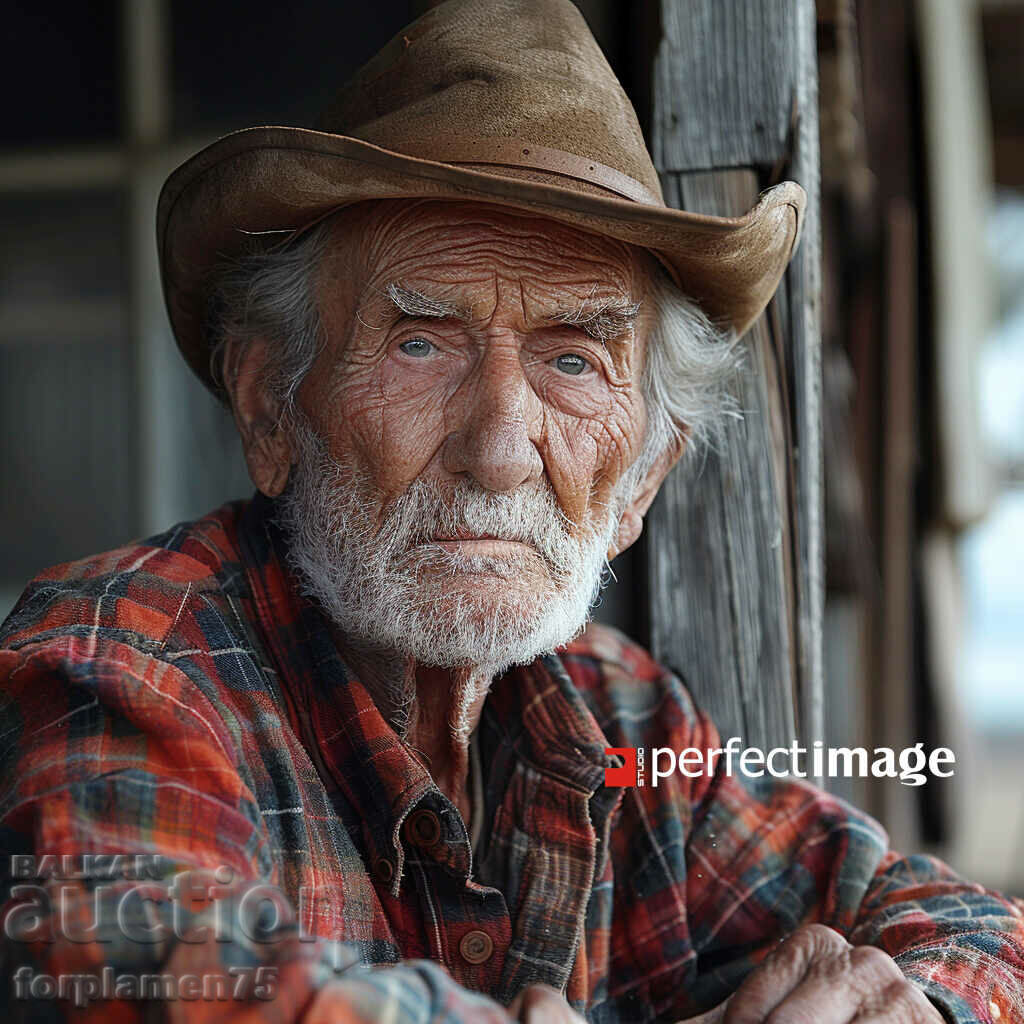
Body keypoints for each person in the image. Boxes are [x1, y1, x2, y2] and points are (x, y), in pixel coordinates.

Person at [1, 1, 1021, 1021]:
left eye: (572, 359)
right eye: (420, 343)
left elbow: (978, 932)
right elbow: (164, 979)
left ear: (641, 478)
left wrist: (915, 1005)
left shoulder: (617, 722)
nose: (497, 453)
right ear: (270, 405)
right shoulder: (117, 662)